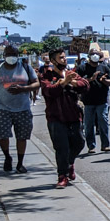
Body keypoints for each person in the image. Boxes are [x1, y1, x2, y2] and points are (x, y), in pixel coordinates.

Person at [0, 45, 39, 173]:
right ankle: (7, 156)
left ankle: (20, 163)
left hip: (23, 108)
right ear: (4, 56)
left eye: (13, 54)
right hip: (3, 108)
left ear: (18, 55)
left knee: (22, 137)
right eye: (8, 54)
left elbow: (36, 83)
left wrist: (23, 89)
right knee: (2, 136)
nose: (11, 57)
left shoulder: (25, 67)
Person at [40, 47, 89, 189]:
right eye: (61, 57)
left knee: (79, 142)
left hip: (73, 116)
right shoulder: (46, 76)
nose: (64, 59)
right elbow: (49, 91)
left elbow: (85, 85)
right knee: (61, 147)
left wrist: (72, 82)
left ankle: (69, 163)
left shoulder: (71, 73)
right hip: (56, 117)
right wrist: (62, 82)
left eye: (64, 57)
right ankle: (62, 176)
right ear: (53, 60)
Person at [78, 46, 110, 154]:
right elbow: (78, 82)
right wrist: (90, 79)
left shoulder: (105, 68)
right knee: (88, 124)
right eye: (93, 54)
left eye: (97, 54)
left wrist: (104, 80)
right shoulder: (82, 68)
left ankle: (105, 145)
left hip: (102, 100)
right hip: (88, 101)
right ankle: (91, 146)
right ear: (89, 56)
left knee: (103, 121)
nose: (95, 56)